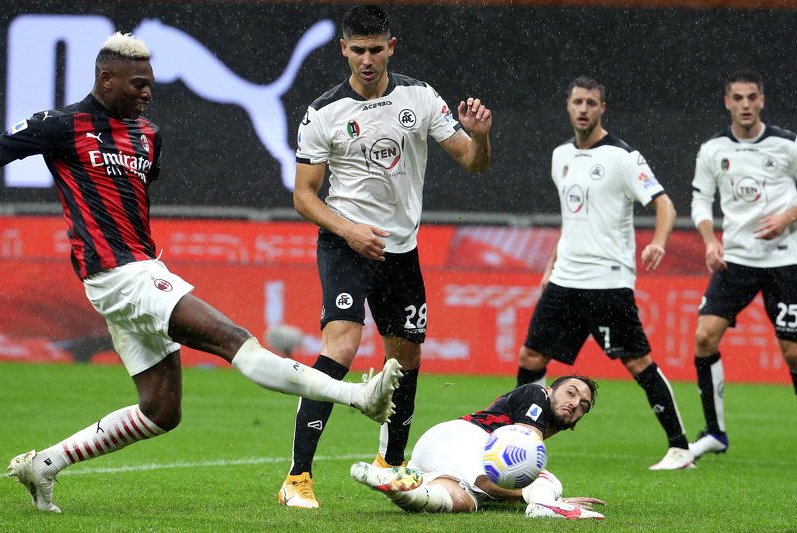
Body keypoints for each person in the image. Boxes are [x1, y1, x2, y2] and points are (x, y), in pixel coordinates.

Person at [0, 32, 402, 514]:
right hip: (117, 275)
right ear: (106, 79)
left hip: (140, 270)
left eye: (151, 85)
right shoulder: (60, 125)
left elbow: (129, 201)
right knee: (235, 340)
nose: (148, 94)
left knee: (161, 410)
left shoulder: (147, 134)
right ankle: (359, 397)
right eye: (139, 84)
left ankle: (43, 464)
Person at [283, 4, 492, 508]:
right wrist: (350, 230)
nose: (367, 59)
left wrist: (481, 136)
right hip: (346, 244)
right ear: (344, 51)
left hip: (401, 252)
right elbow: (305, 196)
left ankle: (391, 464)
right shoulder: (323, 112)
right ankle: (298, 476)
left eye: (376, 49)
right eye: (358, 50)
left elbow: (472, 163)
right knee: (342, 345)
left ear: (391, 47)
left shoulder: (419, 98)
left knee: (407, 358)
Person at [515, 76, 693, 470]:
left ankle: (680, 448)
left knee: (638, 363)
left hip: (608, 281)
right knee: (531, 355)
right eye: (577, 102)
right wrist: (550, 267)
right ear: (568, 105)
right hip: (565, 279)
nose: (583, 109)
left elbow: (665, 205)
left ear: (601, 109)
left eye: (591, 103)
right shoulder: (560, 155)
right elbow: (570, 221)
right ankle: (519, 439)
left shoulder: (623, 157)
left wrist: (659, 241)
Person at [689, 69, 797, 459]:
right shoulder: (713, 149)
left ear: (762, 100)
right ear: (727, 102)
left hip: (786, 260)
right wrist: (708, 239)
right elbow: (701, 201)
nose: (746, 105)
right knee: (704, 338)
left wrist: (788, 217)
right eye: (738, 98)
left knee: (794, 353)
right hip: (735, 259)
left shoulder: (787, 144)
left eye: (752, 97)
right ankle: (715, 432)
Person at [350, 375, 606, 519]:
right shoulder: (537, 394)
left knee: (463, 501)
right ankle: (544, 504)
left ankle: (392, 485)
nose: (575, 403)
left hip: (443, 454)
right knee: (546, 480)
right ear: (550, 390)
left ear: (575, 423)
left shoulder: (541, 409)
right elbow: (523, 450)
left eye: (583, 405)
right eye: (570, 393)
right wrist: (544, 494)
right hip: (463, 438)